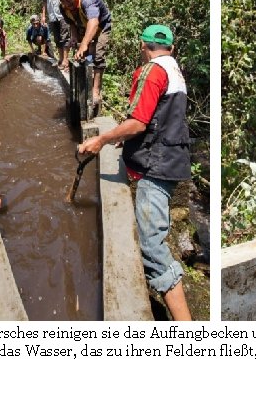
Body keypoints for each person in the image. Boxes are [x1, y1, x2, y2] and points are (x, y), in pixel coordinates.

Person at [78, 25, 191, 320]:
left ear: (143, 46)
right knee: (152, 236)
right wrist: (120, 135)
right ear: (172, 48)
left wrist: (102, 139)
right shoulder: (175, 70)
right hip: (171, 160)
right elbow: (158, 118)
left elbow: (139, 122)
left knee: (152, 246)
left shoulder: (152, 71)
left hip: (156, 165)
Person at [54, 0, 112, 116]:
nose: (67, 4)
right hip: (82, 25)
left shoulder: (88, 0)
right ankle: (85, 82)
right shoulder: (63, 7)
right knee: (83, 56)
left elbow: (94, 22)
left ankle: (96, 90)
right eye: (63, 1)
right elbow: (72, 23)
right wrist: (74, 38)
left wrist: (84, 43)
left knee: (97, 55)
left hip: (101, 26)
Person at [40, 0, 71, 70]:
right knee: (57, 38)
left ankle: (66, 60)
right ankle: (61, 58)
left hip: (64, 13)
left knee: (65, 36)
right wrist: (43, 15)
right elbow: (44, 0)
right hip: (52, 15)